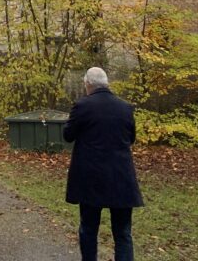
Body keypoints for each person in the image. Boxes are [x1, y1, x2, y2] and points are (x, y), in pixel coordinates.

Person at [63, 67, 143, 261]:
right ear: (107, 84)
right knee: (123, 233)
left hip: (91, 178)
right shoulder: (125, 108)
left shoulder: (82, 106)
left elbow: (68, 135)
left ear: (88, 84)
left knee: (89, 229)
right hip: (121, 177)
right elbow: (131, 138)